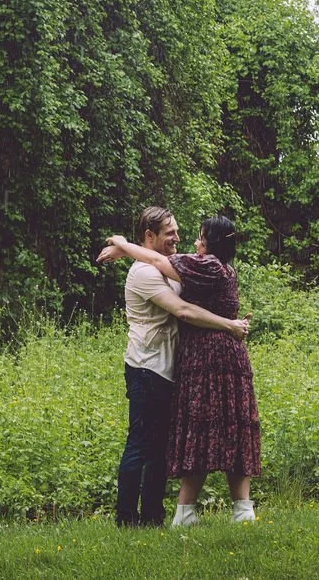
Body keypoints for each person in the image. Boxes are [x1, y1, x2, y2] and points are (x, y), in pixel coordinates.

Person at [99, 215, 261, 526]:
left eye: (198, 236)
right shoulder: (150, 271)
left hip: (182, 363)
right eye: (170, 232)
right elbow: (181, 307)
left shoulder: (206, 265)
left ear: (212, 244)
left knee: (176, 440)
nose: (186, 240)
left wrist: (124, 246)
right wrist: (125, 247)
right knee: (148, 442)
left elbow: (164, 264)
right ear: (150, 235)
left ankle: (160, 516)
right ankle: (130, 518)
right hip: (149, 366)